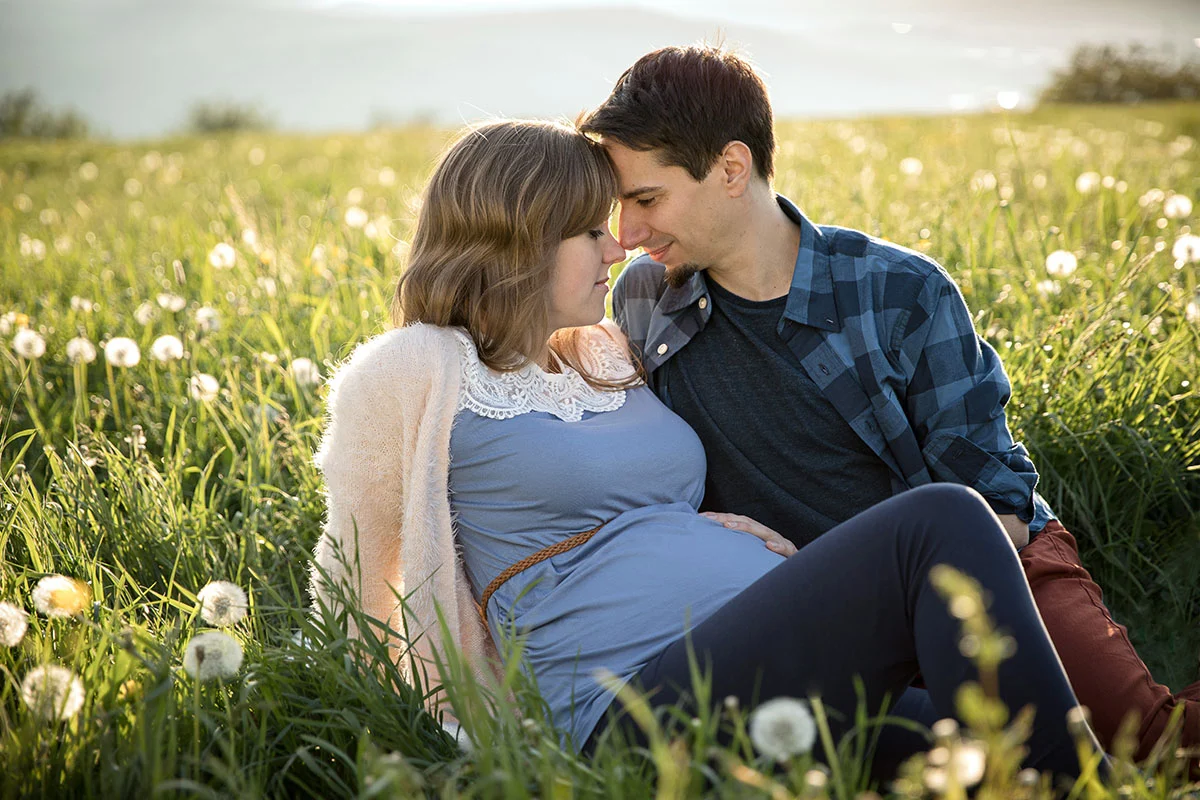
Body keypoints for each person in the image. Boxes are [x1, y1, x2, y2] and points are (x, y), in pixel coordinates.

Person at [310, 118, 1101, 780]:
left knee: (957, 751)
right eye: (589, 231)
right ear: (517, 239)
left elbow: (640, 502)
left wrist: (706, 523)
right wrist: (447, 734)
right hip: (623, 708)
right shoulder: (420, 368)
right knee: (942, 522)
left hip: (758, 667)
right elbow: (354, 575)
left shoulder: (604, 350)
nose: (617, 249)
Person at [578, 44, 1199, 768]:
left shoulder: (900, 291)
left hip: (993, 570)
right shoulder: (647, 299)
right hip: (817, 614)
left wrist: (897, 596)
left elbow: (995, 502)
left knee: (1153, 755)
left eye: (646, 199)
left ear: (730, 169)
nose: (626, 236)